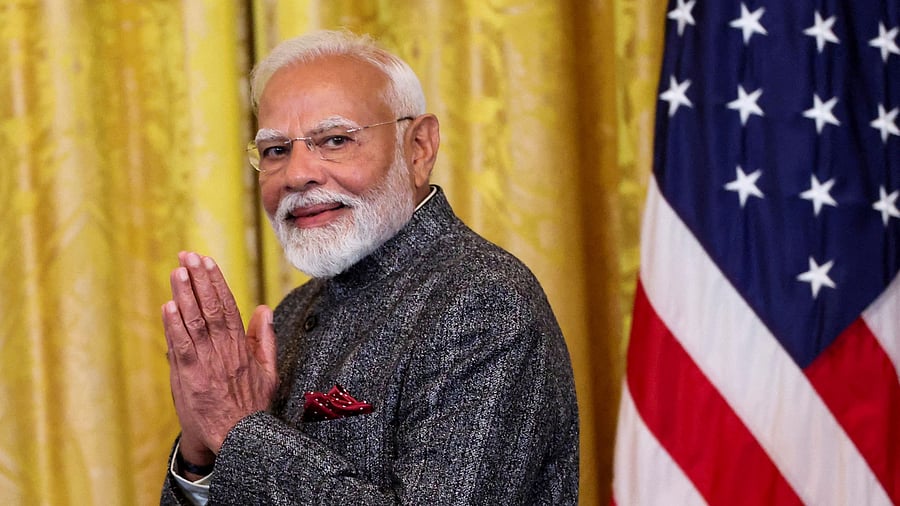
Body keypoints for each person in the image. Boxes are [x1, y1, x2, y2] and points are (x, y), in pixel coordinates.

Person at [159, 29, 579, 505]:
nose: (297, 174)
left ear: (418, 148)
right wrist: (200, 455)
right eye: (276, 150)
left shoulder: (483, 298)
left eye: (335, 140)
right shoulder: (294, 313)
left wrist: (239, 431)